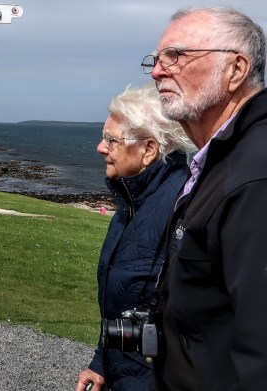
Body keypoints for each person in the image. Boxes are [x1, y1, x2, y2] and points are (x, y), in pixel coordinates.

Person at [145, 7, 267, 390]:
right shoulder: (221, 159)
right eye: (156, 60)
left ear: (236, 69)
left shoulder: (254, 173)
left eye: (176, 56)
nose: (157, 71)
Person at [76, 84, 193, 391]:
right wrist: (100, 363)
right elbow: (127, 308)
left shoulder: (184, 207)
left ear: (148, 150)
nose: (100, 148)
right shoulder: (130, 204)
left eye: (111, 140)